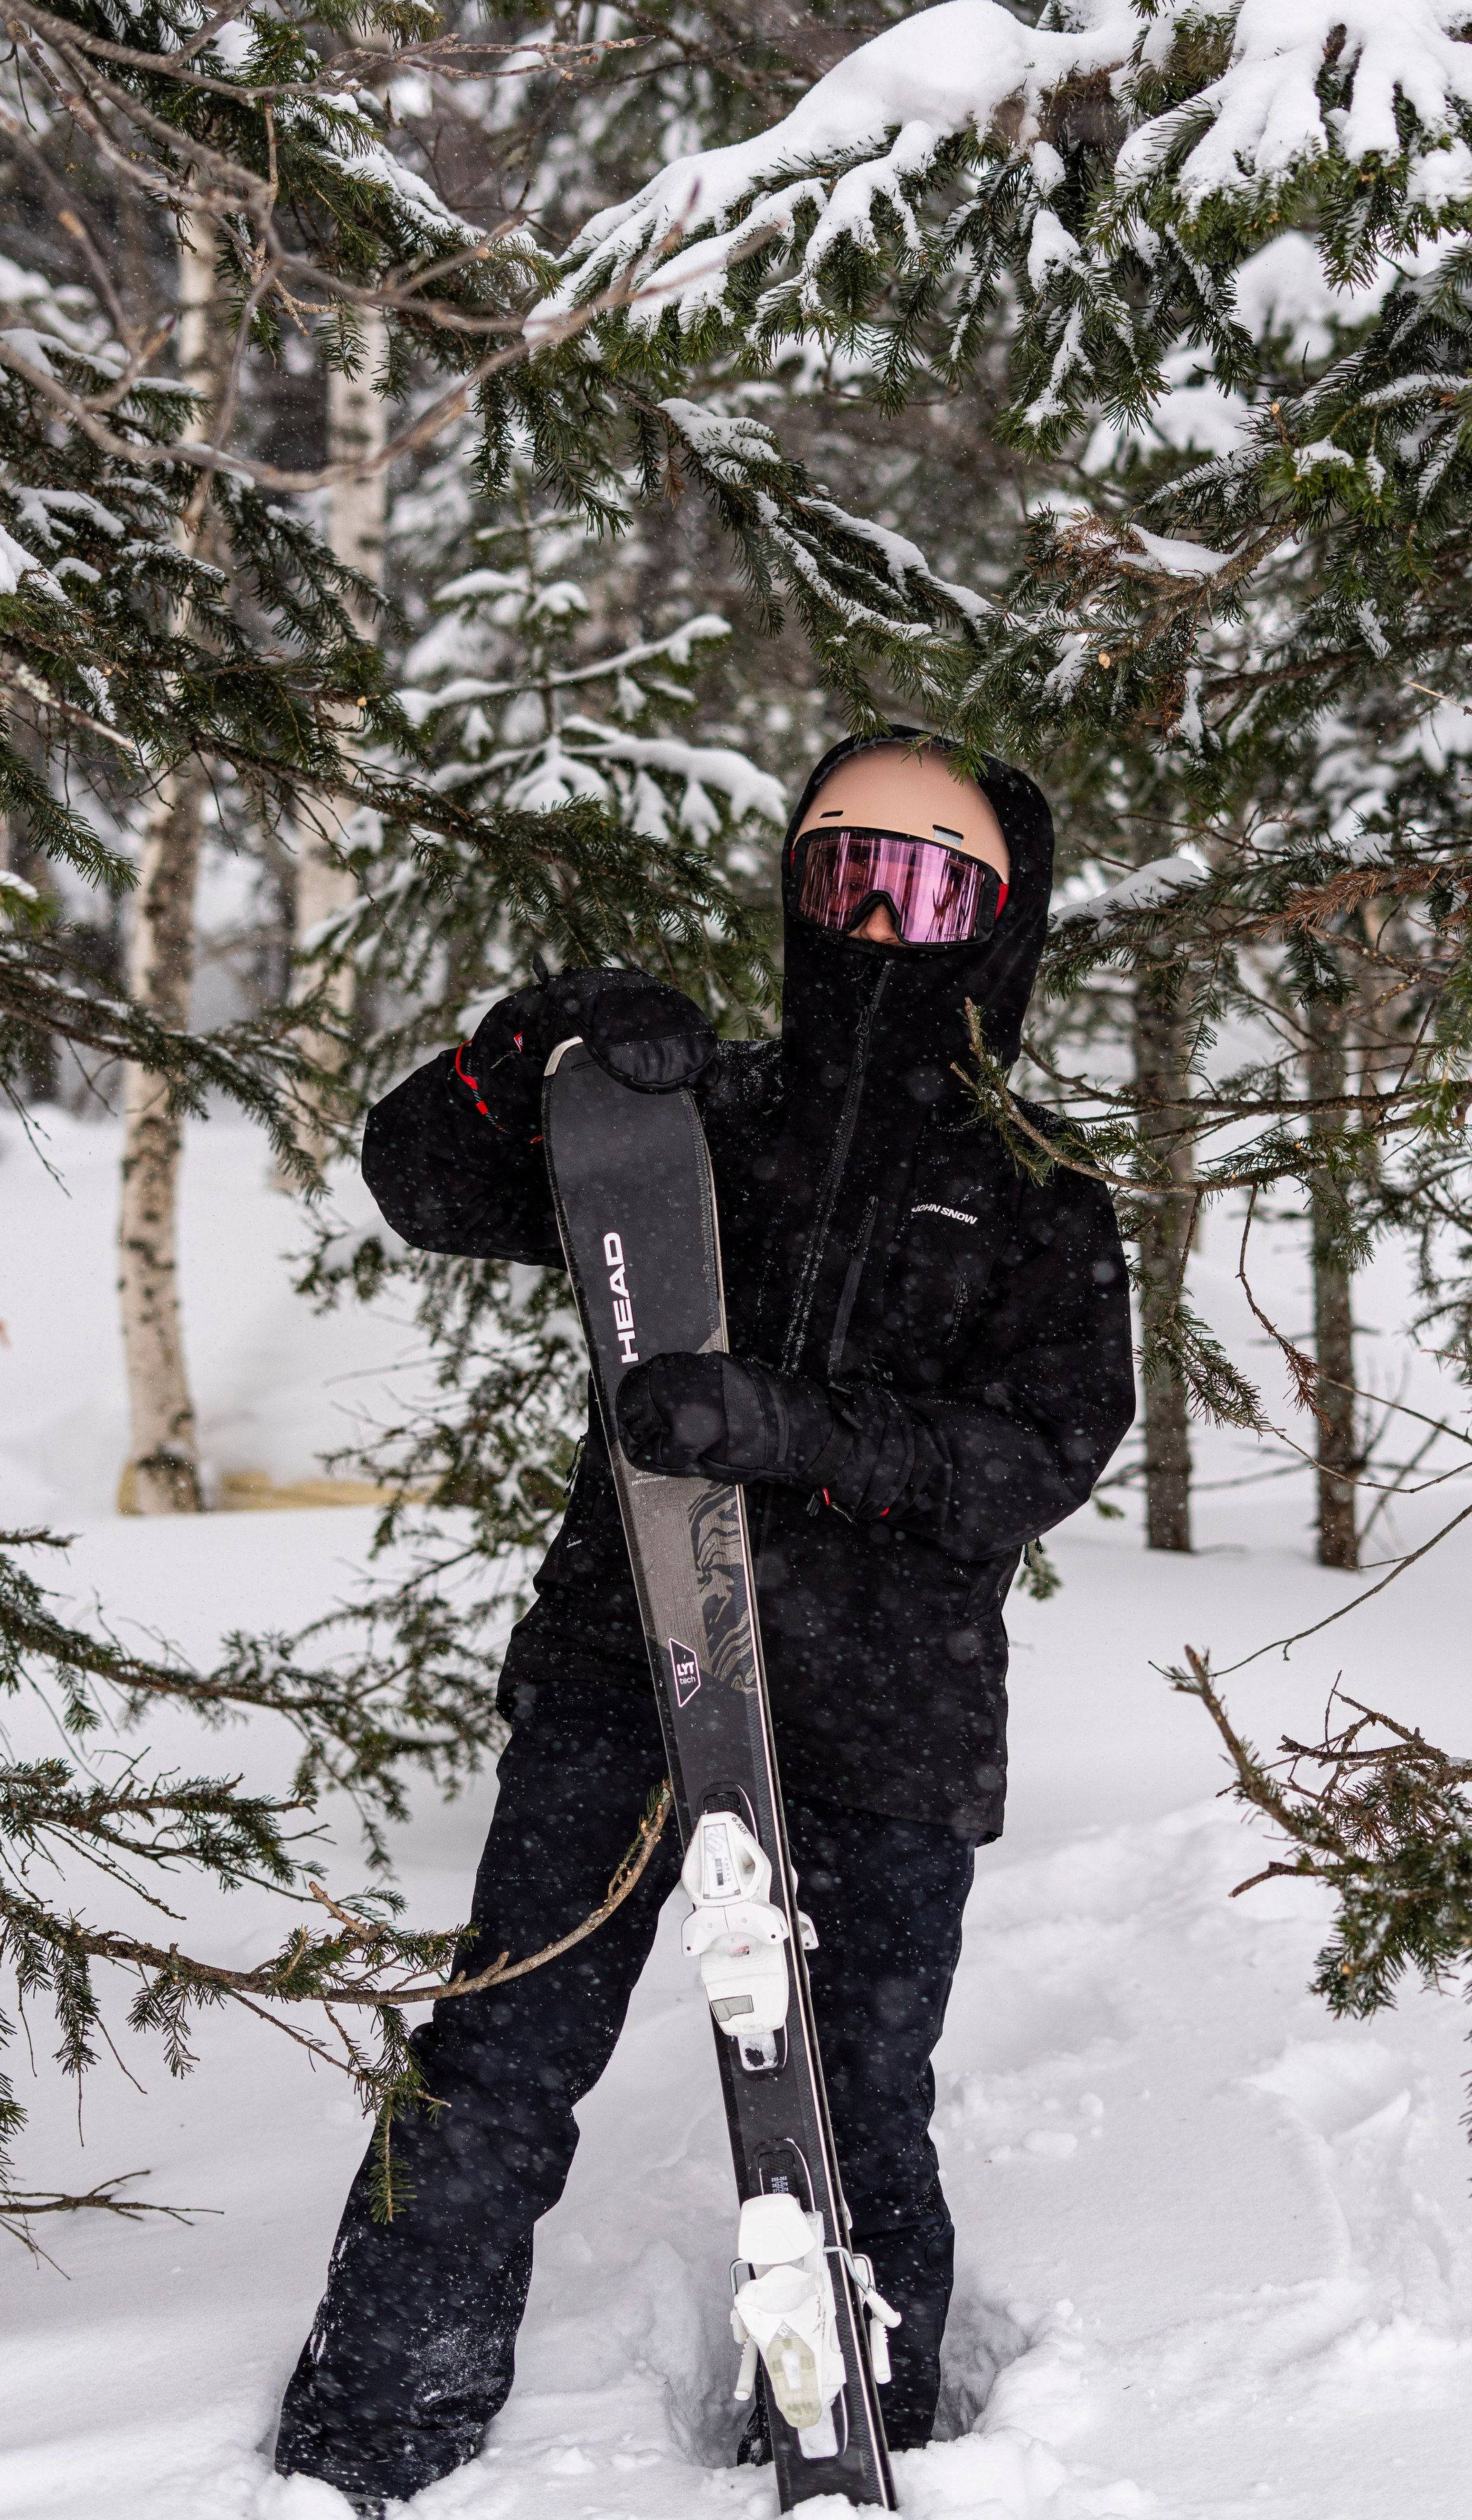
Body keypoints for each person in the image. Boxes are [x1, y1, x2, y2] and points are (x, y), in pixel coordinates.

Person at [272, 731, 1135, 2513]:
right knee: (501, 2049)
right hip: (623, 1662)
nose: (872, 916)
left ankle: (859, 2423)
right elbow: (425, 1183)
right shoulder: (687, 1114)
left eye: (922, 884)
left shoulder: (1041, 1187)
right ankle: (369, 2432)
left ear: (1000, 917)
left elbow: (1039, 1453)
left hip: (883, 1717)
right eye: (840, 872)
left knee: (847, 2095)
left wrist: (792, 1430)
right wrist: (537, 1045)